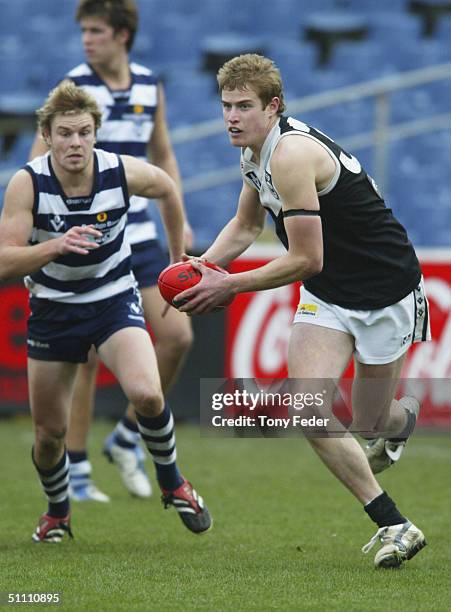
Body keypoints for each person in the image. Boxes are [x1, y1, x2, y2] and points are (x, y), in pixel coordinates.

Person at [175, 54, 429, 568]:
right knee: (307, 409)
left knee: (370, 419)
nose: (231, 117)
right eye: (226, 105)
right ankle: (395, 524)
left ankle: (401, 421)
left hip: (385, 292)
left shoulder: (289, 155)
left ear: (273, 107)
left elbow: (305, 256)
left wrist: (230, 286)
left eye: (244, 106)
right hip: (328, 294)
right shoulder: (254, 152)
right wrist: (204, 267)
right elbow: (246, 228)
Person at [0, 81, 211, 541]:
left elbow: (167, 188)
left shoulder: (119, 171)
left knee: (149, 395)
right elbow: (4, 259)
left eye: (83, 132)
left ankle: (173, 481)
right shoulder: (28, 182)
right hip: (54, 310)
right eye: (64, 134)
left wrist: (177, 258)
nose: (74, 143)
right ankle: (57, 512)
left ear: (96, 133)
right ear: (48, 135)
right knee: (49, 435)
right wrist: (55, 245)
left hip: (113, 298)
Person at [29, 0, 193, 502]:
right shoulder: (75, 87)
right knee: (89, 354)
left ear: (122, 35)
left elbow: (160, 155)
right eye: (84, 31)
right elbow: (41, 162)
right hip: (87, 234)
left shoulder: (148, 83)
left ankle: (126, 437)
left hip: (138, 233)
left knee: (178, 337)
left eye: (96, 30)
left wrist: (179, 228)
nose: (86, 39)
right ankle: (75, 467)